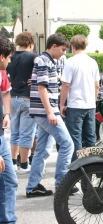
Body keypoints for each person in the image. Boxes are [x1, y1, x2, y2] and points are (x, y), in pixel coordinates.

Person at [26, 33, 74, 198]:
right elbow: (42, 88)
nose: (63, 53)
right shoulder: (44, 61)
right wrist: (50, 112)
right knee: (67, 144)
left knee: (43, 150)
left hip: (41, 111)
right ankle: (62, 184)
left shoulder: (44, 60)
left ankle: (33, 186)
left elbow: (42, 84)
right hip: (46, 112)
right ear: (54, 46)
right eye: (62, 49)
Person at [60, 35, 100, 162]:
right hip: (90, 105)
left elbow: (66, 85)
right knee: (90, 138)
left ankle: (77, 169)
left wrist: (61, 104)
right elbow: (97, 85)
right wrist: (92, 100)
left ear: (73, 46)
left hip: (75, 105)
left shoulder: (70, 62)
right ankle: (91, 166)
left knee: (75, 139)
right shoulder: (93, 62)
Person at [6, 31, 38, 174]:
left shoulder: (11, 57)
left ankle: (13, 162)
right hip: (27, 98)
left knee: (15, 132)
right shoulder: (33, 57)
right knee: (26, 133)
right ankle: (24, 165)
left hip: (13, 98)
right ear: (31, 44)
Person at [0, 35, 18, 223]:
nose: (10, 60)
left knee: (9, 181)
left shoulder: (1, 72)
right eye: (9, 57)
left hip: (1, 137)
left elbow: (5, 93)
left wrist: (6, 114)